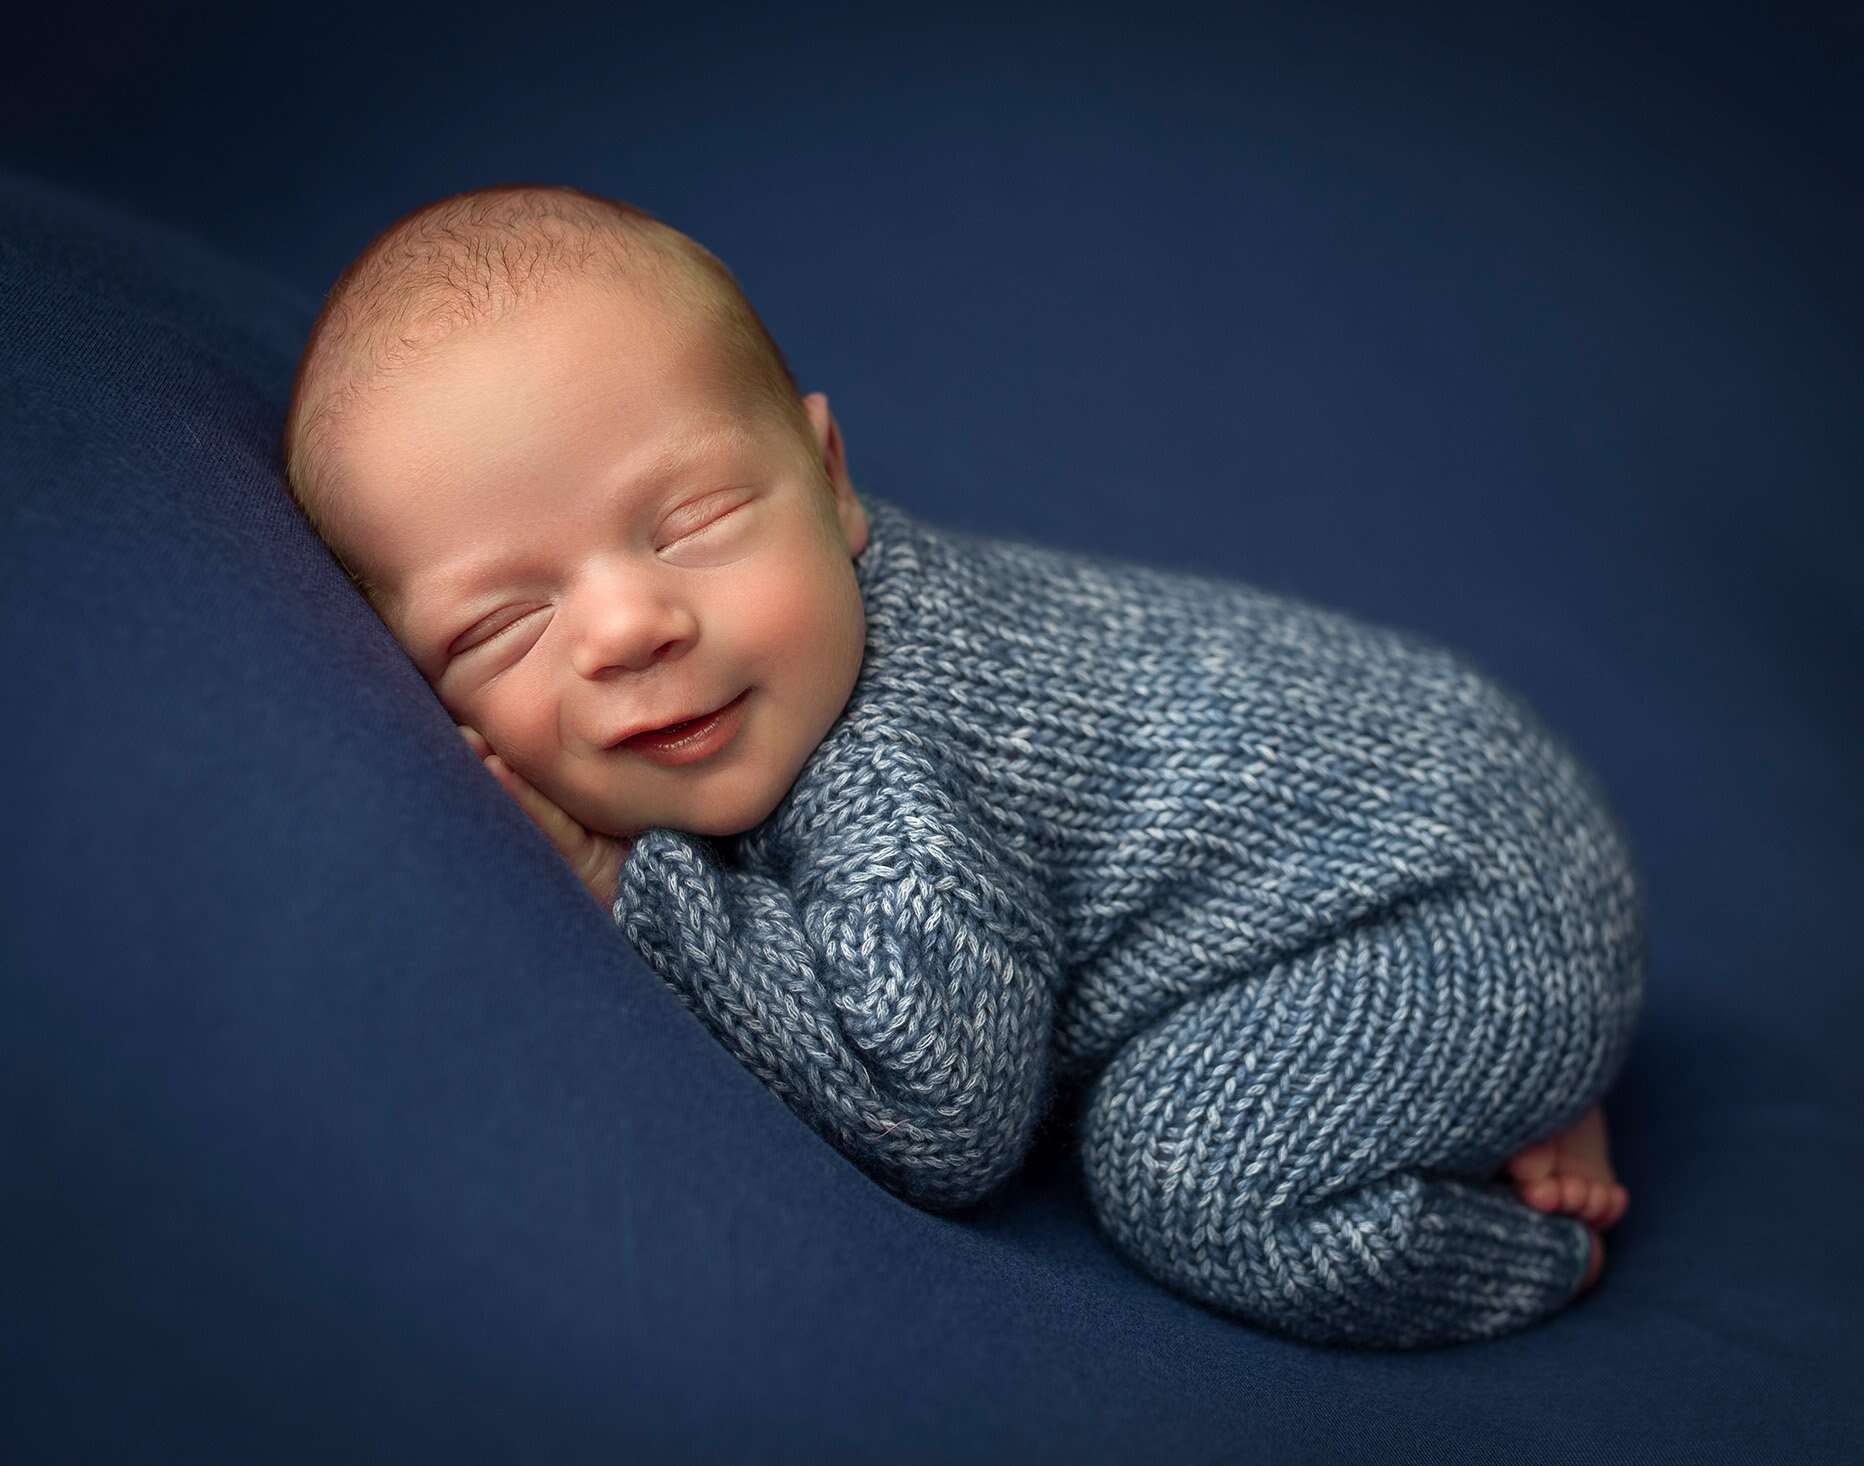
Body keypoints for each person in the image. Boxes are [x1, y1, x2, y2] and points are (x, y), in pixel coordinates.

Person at [280, 182, 1641, 1349]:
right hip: (1405, 830)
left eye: (691, 521)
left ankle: (1524, 1231)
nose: (632, 624)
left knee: (1190, 1168)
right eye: (507, 622)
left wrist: (627, 884)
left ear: (831, 481)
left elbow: (942, 1118)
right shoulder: (799, 652)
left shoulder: (898, 785)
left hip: (1462, 899)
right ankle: (1484, 1073)